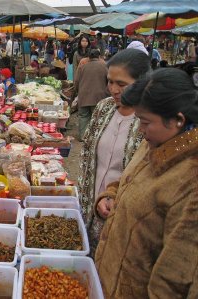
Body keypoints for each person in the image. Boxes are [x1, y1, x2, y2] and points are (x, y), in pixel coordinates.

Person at [95, 68, 198, 298]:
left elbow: (174, 280)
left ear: (178, 120)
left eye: (145, 122)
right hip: (107, 282)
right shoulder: (158, 142)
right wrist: (110, 195)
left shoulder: (190, 182)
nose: (140, 130)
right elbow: (130, 181)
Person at [78, 49, 150, 257]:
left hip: (122, 214)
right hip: (90, 207)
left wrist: (113, 200)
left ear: (142, 83)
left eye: (121, 84)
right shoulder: (104, 108)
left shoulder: (148, 120)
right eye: (110, 82)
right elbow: (87, 156)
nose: (113, 89)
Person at [73, 48, 109, 139]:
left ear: (88, 57)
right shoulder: (104, 66)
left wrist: (77, 91)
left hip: (83, 96)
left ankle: (83, 137)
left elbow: (76, 81)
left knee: (83, 117)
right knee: (97, 118)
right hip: (99, 97)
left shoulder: (83, 66)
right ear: (99, 56)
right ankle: (95, 137)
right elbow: (109, 81)